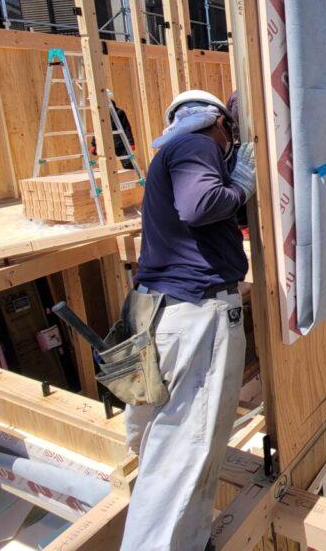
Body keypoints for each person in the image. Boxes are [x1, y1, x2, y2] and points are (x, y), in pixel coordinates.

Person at [119, 89, 257, 551]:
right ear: (217, 121)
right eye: (231, 133)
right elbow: (200, 205)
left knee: (160, 437)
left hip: (160, 312)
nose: (231, 141)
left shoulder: (170, 154)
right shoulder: (198, 143)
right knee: (187, 450)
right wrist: (242, 183)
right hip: (198, 315)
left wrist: (232, 189)